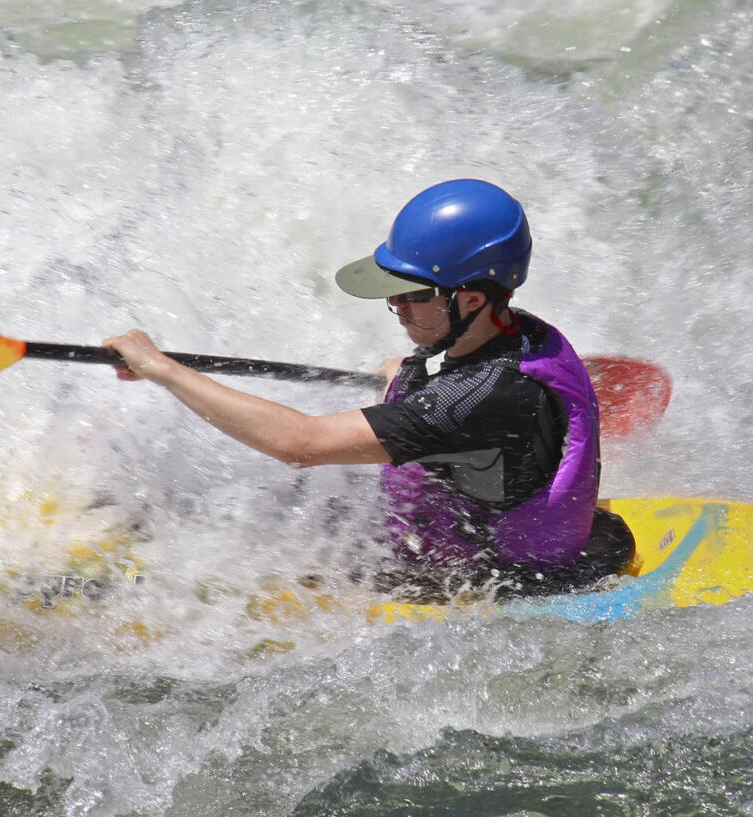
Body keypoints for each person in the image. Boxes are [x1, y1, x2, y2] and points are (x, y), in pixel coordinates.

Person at [104, 179, 633, 601]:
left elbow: (299, 445)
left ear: (470, 300)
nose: (396, 306)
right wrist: (412, 372)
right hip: (468, 512)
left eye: (410, 295)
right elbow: (463, 396)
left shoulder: (482, 401)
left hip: (487, 570)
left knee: (269, 527)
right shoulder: (517, 332)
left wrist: (162, 369)